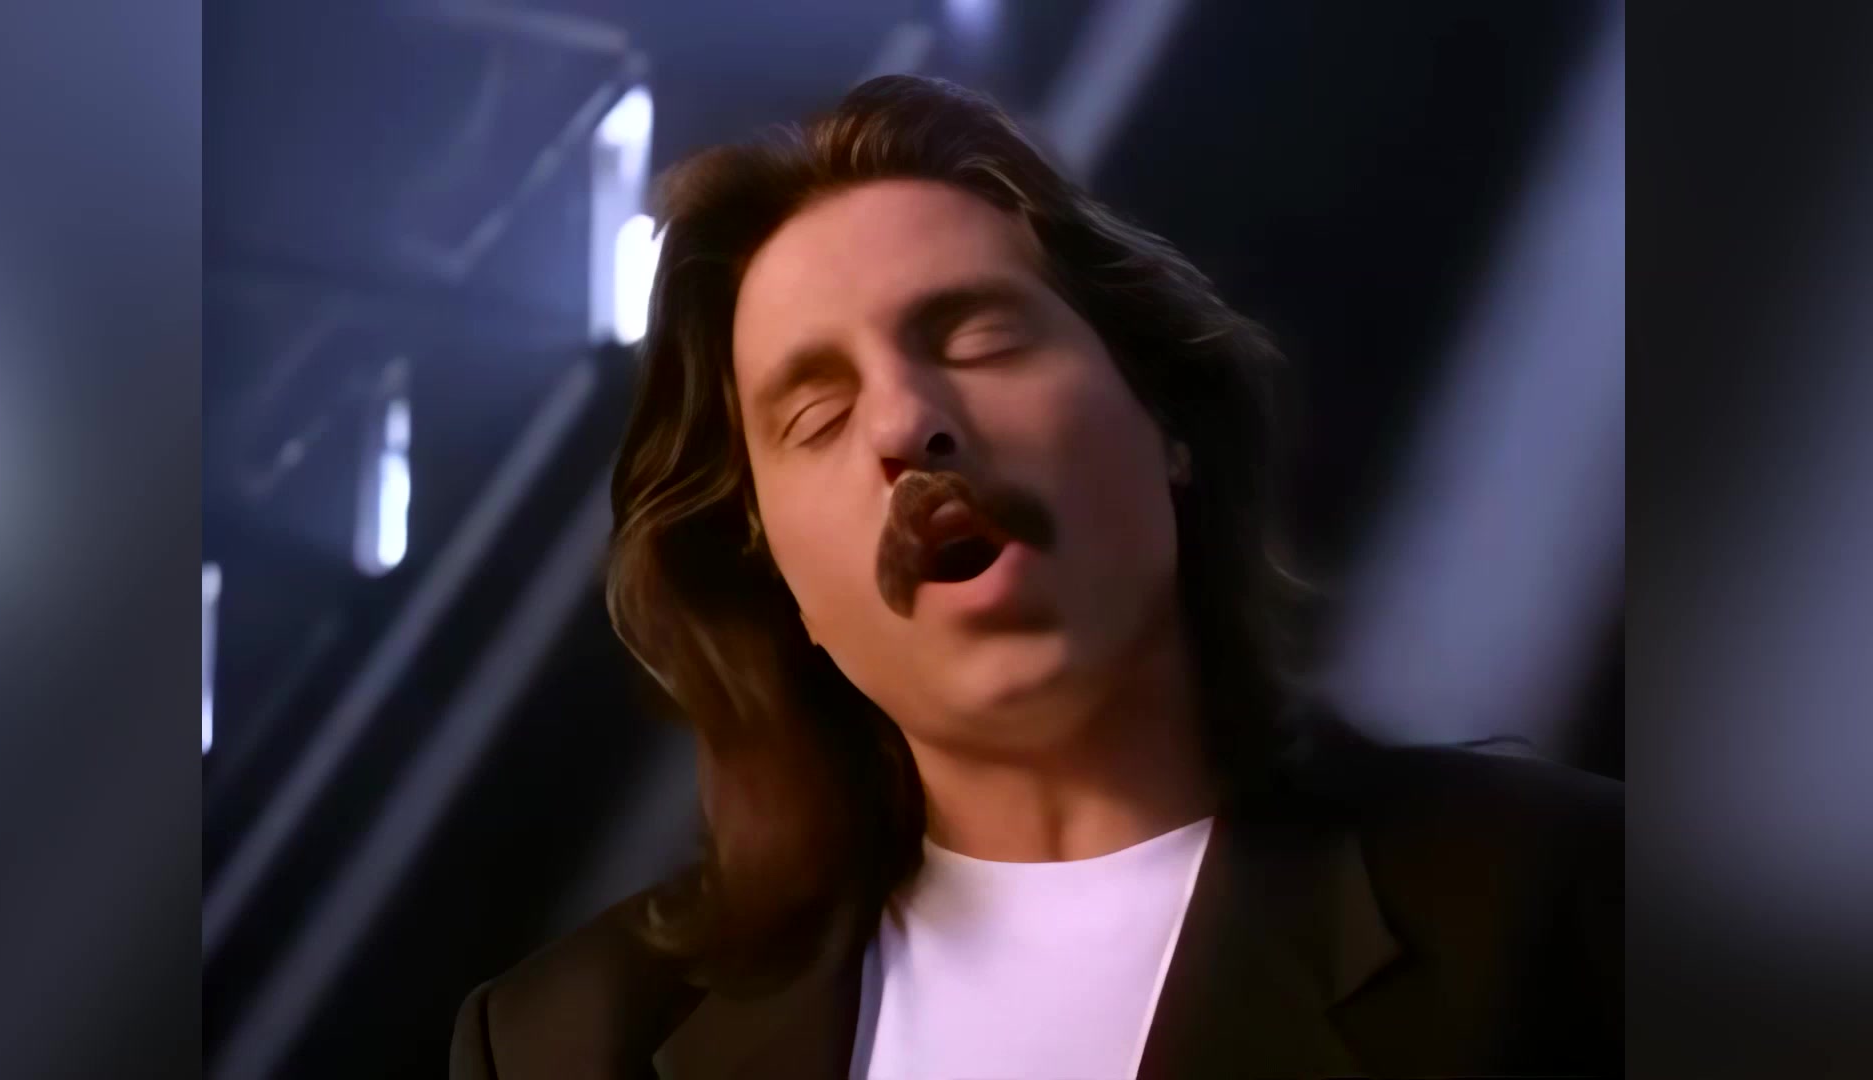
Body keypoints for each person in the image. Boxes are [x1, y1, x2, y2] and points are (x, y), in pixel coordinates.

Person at [450, 74, 1621, 1079]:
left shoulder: (1568, 910)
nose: (906, 425)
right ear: (782, 586)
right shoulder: (569, 1045)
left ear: (1165, 421)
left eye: (980, 340)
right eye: (815, 415)